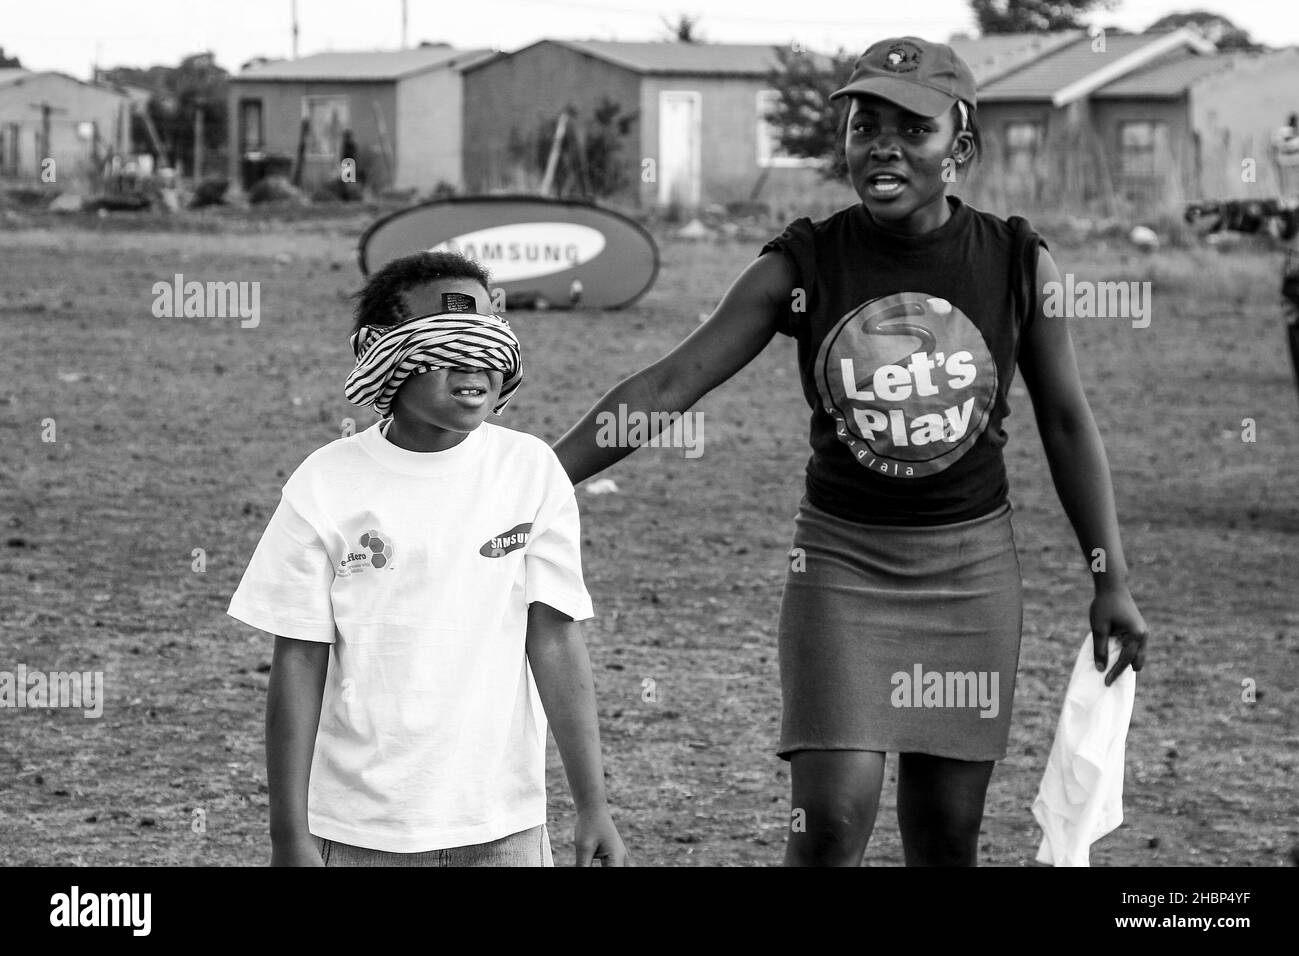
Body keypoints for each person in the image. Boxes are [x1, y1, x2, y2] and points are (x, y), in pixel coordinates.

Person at [553, 36, 1148, 866]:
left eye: (914, 129)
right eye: (866, 126)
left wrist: (1108, 578)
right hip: (840, 571)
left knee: (946, 835)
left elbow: (1067, 422)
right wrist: (537, 475)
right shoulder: (806, 261)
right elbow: (673, 382)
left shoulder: (1017, 261)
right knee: (830, 822)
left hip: (970, 576)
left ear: (960, 149)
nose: (885, 146)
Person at [228, 251, 628, 867]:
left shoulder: (531, 472)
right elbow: (300, 660)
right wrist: (289, 834)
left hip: (505, 826)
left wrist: (593, 805)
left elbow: (554, 641)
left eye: (490, 342)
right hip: (358, 829)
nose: (475, 364)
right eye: (445, 346)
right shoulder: (325, 484)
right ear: (381, 355)